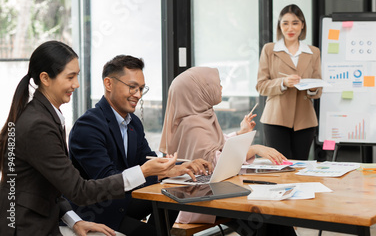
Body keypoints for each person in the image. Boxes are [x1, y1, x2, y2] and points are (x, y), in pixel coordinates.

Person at [0, 41, 180, 236]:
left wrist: (74, 221)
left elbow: (53, 186)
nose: (76, 84)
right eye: (70, 77)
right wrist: (143, 172)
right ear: (45, 78)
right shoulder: (40, 125)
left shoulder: (45, 116)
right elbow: (80, 190)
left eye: (76, 76)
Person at [68, 55, 211, 236]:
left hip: (125, 202)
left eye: (141, 88)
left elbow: (148, 158)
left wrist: (179, 167)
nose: (138, 94)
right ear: (108, 84)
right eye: (132, 87)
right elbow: (106, 179)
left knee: (178, 194)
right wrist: (159, 172)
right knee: (150, 230)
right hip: (99, 210)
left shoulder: (133, 122)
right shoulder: (88, 126)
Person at [159, 67, 296, 235]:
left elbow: (218, 144)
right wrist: (255, 148)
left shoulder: (203, 114)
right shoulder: (192, 124)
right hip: (203, 201)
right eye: (217, 84)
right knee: (266, 219)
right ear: (200, 91)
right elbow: (216, 162)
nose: (221, 88)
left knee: (273, 217)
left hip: (216, 192)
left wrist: (240, 133)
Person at [256, 4, 322, 160]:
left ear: (302, 25)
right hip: (276, 118)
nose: (290, 28)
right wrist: (283, 82)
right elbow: (261, 86)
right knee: (279, 168)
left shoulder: (313, 52)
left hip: (304, 120)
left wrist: (310, 87)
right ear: (280, 26)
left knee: (300, 167)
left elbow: (318, 88)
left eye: (295, 23)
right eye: (285, 23)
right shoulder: (269, 50)